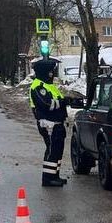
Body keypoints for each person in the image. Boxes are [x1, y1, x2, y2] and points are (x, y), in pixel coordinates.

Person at [29, 58, 84, 187]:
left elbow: (57, 100)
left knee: (57, 150)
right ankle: (48, 178)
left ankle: (54, 175)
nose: (52, 74)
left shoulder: (48, 85)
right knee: (52, 150)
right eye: (50, 71)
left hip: (56, 123)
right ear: (44, 72)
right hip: (48, 124)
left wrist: (68, 100)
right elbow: (47, 104)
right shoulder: (38, 86)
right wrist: (64, 101)